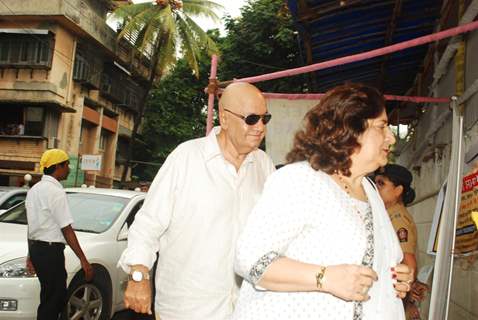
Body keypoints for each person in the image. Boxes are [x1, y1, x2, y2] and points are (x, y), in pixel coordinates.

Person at [232, 83, 413, 320]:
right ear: (351, 129)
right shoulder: (300, 180)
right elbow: (250, 258)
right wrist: (324, 277)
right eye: (382, 126)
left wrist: (398, 278)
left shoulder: (369, 189)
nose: (390, 138)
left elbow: (377, 260)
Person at [118, 82, 276, 319]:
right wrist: (138, 275)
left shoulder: (264, 166)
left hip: (245, 308)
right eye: (251, 119)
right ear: (224, 118)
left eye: (265, 118)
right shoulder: (186, 158)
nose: (260, 127)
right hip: (187, 309)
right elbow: (147, 225)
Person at [26, 149, 94, 320]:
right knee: (55, 299)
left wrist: (30, 254)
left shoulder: (34, 190)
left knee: (49, 297)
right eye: (67, 165)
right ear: (58, 166)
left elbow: (32, 226)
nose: (69, 169)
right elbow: (67, 229)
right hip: (50, 252)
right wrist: (83, 260)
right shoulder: (55, 192)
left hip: (37, 249)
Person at [374, 164, 423, 319]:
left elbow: (409, 264)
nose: (376, 188)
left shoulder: (397, 218)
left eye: (381, 183)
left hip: (395, 298)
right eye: (375, 183)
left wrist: (406, 302)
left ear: (398, 190)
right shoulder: (386, 215)